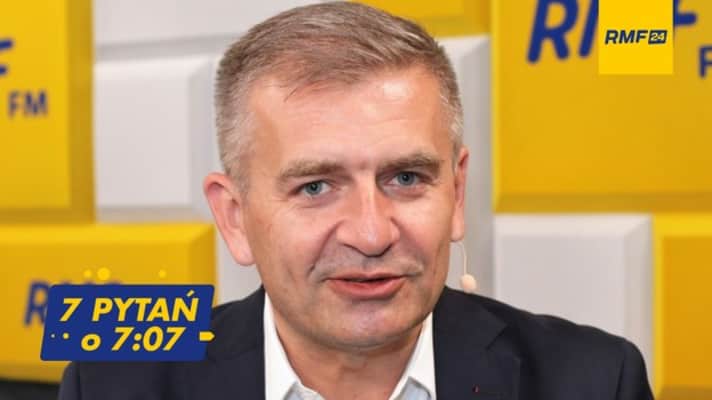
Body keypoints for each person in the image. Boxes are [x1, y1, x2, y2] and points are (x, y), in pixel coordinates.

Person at [59, 2, 654, 399]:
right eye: (315, 187)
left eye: (406, 178)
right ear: (234, 218)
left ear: (456, 194)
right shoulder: (114, 380)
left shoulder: (594, 380)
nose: (371, 235)